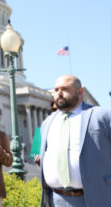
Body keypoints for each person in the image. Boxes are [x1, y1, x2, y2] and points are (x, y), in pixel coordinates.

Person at [40, 74, 111, 207]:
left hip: (95, 198)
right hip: (56, 199)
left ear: (80, 92)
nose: (59, 93)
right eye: (56, 90)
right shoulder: (47, 123)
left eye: (65, 89)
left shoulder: (101, 116)